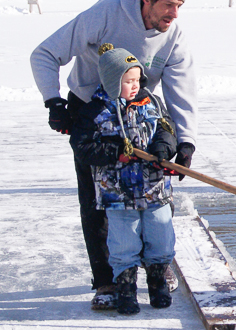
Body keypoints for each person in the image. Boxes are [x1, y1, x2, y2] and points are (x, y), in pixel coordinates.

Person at [30, 0, 198, 309]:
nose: (174, 13)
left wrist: (185, 142)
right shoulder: (104, 14)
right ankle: (107, 281)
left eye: (179, 5)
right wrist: (54, 101)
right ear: (146, 0)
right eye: (168, 4)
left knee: (151, 197)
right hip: (92, 114)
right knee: (98, 198)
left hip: (143, 115)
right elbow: (45, 54)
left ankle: (155, 265)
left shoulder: (173, 36)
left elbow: (182, 91)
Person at [70, 45, 178, 315]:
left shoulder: (151, 102)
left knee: (161, 237)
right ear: (110, 80)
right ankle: (126, 289)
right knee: (124, 243)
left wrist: (164, 148)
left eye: (137, 80)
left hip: (154, 189)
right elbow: (82, 147)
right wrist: (115, 152)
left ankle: (157, 283)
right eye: (128, 81)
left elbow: (166, 129)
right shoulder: (95, 111)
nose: (135, 85)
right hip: (117, 194)